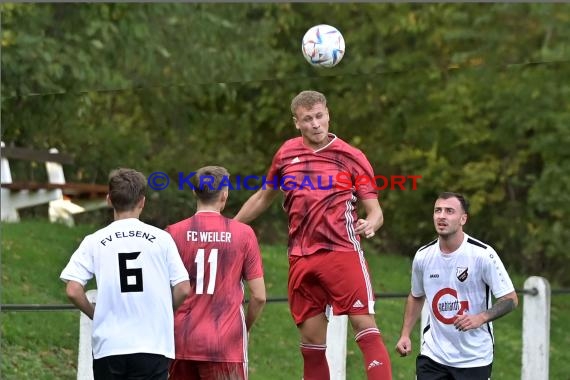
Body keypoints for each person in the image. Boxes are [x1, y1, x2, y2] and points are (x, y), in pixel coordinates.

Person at [234, 90, 392, 380]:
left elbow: (376, 210)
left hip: (341, 252)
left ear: (328, 114)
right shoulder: (286, 153)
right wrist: (231, 226)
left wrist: (371, 223)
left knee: (364, 327)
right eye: (308, 119)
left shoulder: (351, 157)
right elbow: (263, 196)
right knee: (311, 345)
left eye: (320, 116)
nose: (316, 124)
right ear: (297, 123)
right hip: (300, 257)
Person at [60, 168, 191, 380]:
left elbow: (73, 290)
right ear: (142, 201)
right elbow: (183, 288)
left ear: (109, 199)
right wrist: (166, 311)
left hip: (109, 346)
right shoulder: (162, 239)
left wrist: (96, 314)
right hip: (153, 343)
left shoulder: (94, 240)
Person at [395, 192, 518, 380]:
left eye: (449, 211)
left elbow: (510, 299)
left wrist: (481, 318)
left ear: (463, 219)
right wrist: (405, 334)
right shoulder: (423, 256)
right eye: (438, 211)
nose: (442, 216)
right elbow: (416, 296)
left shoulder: (482, 254)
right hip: (433, 355)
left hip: (474, 358)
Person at [167, 165, 266, 380]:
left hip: (181, 339)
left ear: (195, 192)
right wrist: (244, 327)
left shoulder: (173, 233)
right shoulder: (243, 234)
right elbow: (259, 296)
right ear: (224, 194)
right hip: (225, 341)